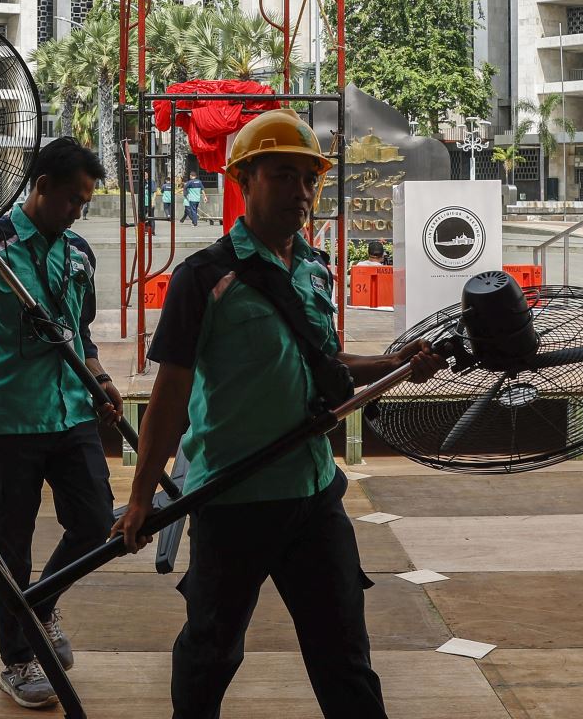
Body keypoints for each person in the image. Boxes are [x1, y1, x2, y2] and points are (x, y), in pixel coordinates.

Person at [113, 109, 444, 719]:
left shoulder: (315, 271)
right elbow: (170, 396)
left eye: (308, 179)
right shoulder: (204, 278)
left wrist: (394, 363)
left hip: (314, 494)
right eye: (283, 176)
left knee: (344, 654)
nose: (300, 192)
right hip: (233, 496)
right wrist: (140, 499)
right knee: (211, 652)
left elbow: (322, 358)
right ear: (245, 181)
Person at [0, 137, 121, 710]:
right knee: (9, 547)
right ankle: (17, 659)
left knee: (94, 524)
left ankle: (38, 606)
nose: (78, 211)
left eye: (85, 202)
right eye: (71, 199)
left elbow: (78, 330)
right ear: (40, 187)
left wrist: (100, 377)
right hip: (9, 419)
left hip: (72, 411)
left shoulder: (78, 251)